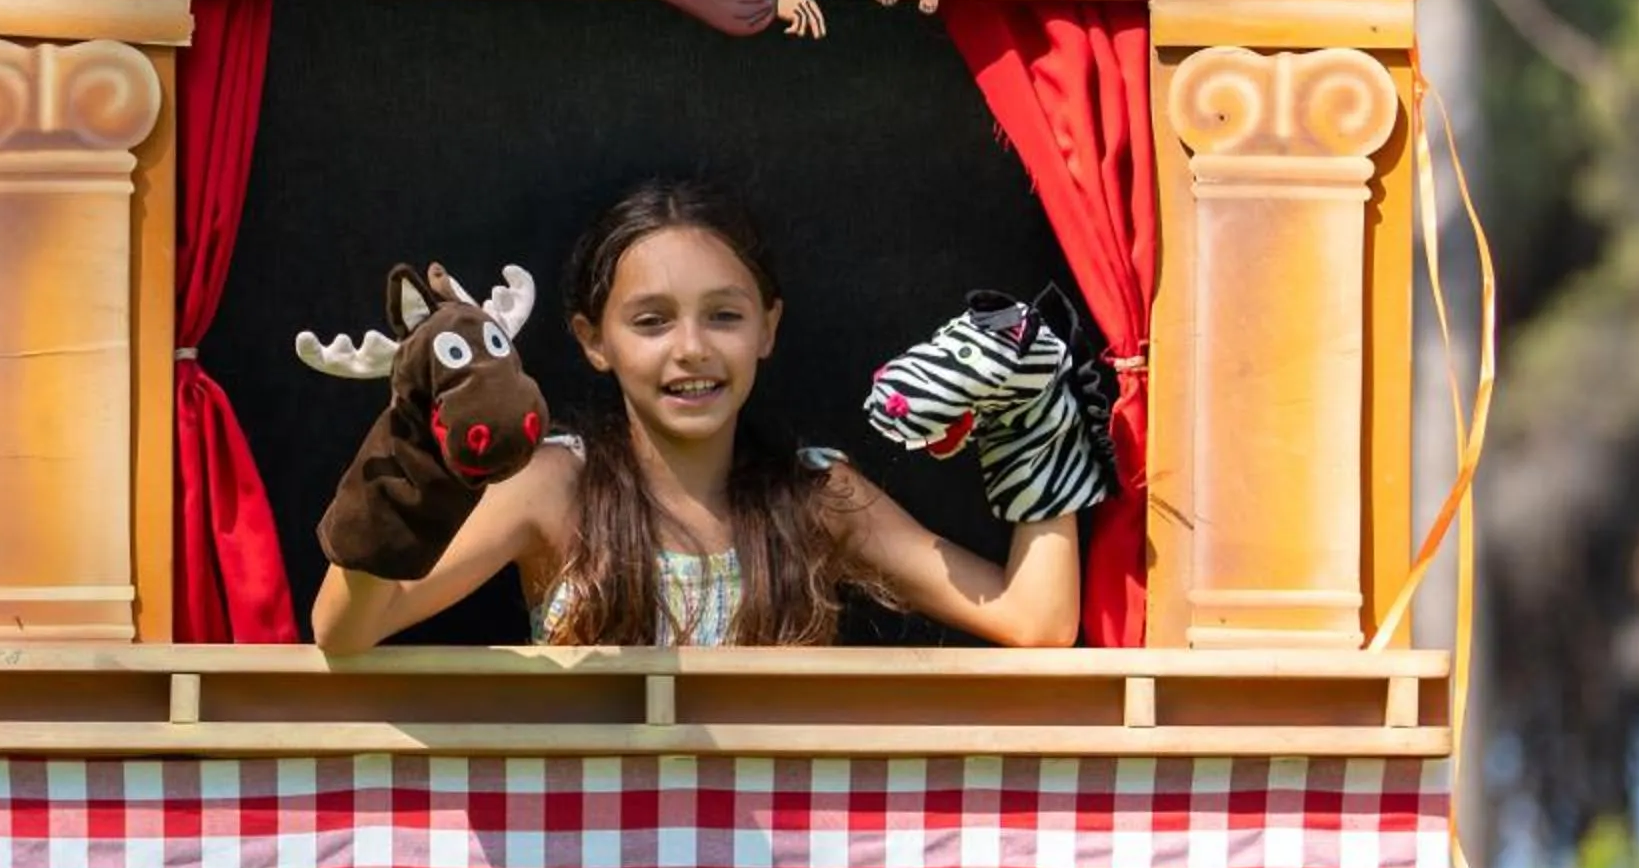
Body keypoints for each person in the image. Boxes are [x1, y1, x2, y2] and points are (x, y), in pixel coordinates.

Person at [309, 178, 1083, 653]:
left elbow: (1036, 622)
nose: (691, 349)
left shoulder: (817, 496)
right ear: (593, 340)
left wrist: (1038, 419)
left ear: (768, 329)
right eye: (650, 322)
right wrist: (415, 450)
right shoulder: (553, 486)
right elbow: (346, 630)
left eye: (724, 316)